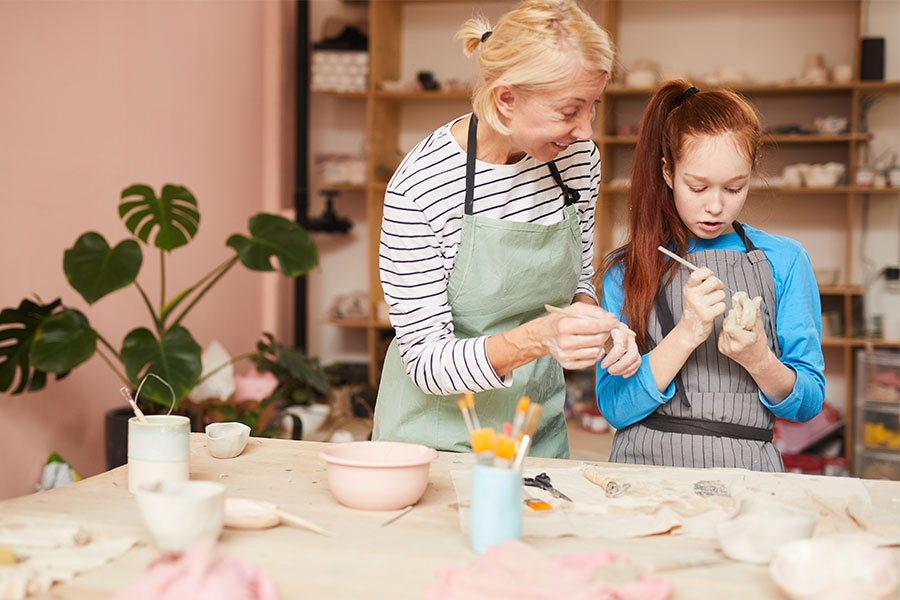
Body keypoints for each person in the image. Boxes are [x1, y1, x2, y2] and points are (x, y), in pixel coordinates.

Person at [372, 0, 640, 459]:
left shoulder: (576, 160)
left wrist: (593, 323)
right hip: (434, 443)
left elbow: (576, 277)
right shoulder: (423, 185)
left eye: (593, 106)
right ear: (506, 99)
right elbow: (426, 363)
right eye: (569, 111)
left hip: (534, 431)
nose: (586, 130)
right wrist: (541, 338)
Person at [595, 81, 825, 471]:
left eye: (734, 188)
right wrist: (686, 333)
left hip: (747, 477)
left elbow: (808, 403)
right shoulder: (627, 268)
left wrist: (759, 359)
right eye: (697, 187)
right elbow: (615, 407)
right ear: (667, 172)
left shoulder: (785, 260)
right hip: (643, 475)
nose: (716, 206)